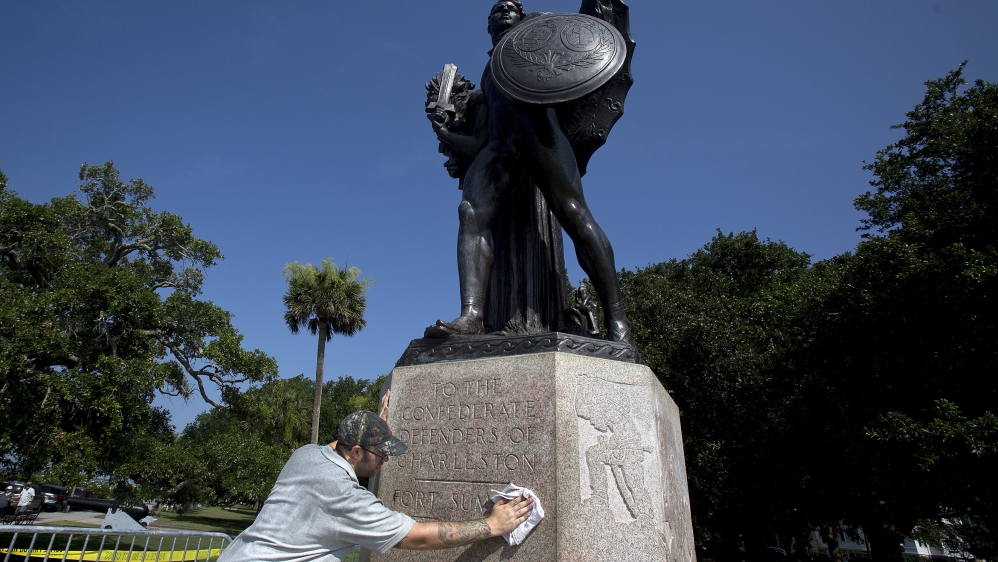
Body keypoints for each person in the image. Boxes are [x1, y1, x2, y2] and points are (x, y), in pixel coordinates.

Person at [426, 0, 635, 346]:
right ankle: (472, 315)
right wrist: (444, 133)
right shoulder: (488, 76)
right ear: (488, 24)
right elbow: (480, 141)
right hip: (501, 148)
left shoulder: (537, 29)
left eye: (513, 7)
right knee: (470, 212)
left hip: (541, 135)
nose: (507, 11)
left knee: (575, 214)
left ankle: (618, 319)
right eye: (498, 9)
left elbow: (570, 52)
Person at [218, 393, 534, 562]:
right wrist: (491, 525)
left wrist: (376, 425)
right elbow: (416, 536)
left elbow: (342, 443)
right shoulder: (345, 498)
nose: (385, 460)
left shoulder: (305, 455)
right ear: (356, 451)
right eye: (381, 453)